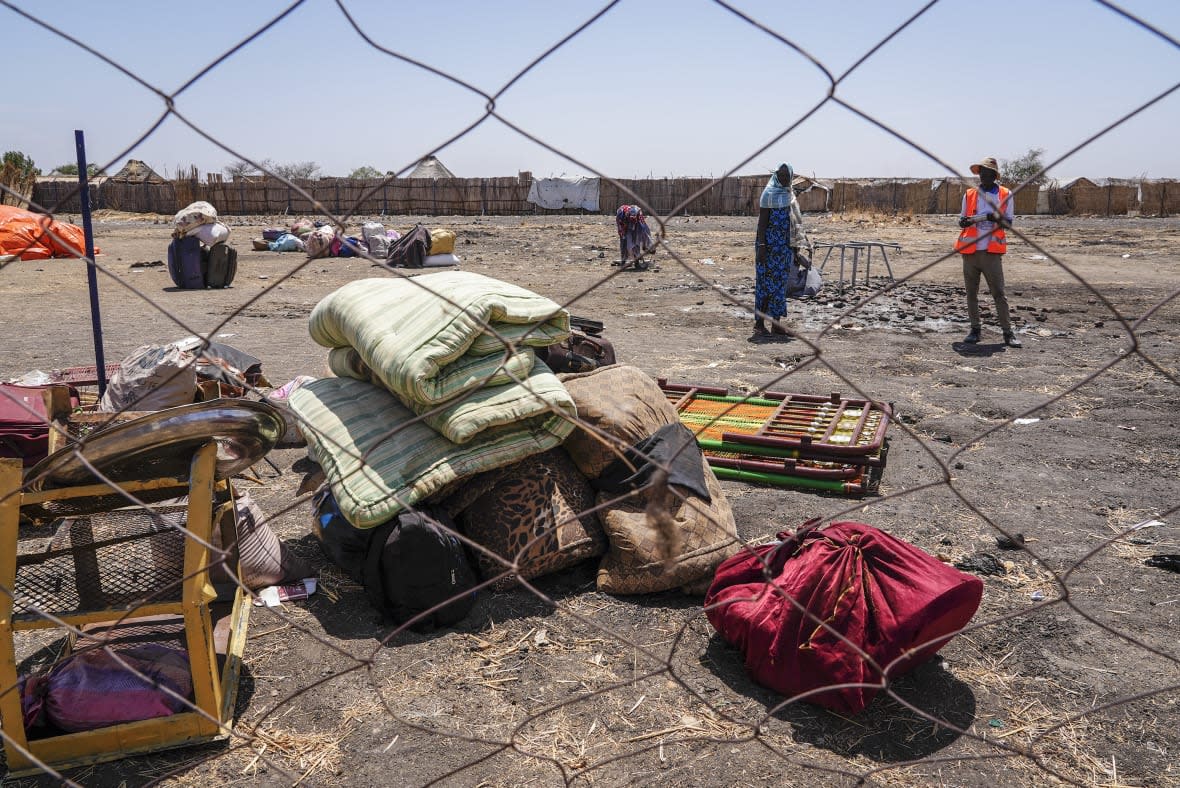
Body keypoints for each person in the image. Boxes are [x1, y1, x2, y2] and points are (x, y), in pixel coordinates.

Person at [955, 156, 1021, 347]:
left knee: (999, 293)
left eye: (987, 173)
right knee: (971, 294)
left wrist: (995, 218)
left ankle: (1008, 333)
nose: (983, 176)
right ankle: (975, 330)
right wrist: (966, 221)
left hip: (991, 253)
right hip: (970, 251)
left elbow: (1008, 223)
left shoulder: (1005, 194)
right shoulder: (969, 195)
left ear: (994, 175)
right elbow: (961, 220)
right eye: (980, 172)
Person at [754, 163, 812, 336]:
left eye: (787, 176)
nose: (784, 179)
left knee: (779, 286)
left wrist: (796, 251)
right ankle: (759, 324)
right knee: (765, 284)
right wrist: (762, 248)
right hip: (768, 248)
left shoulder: (790, 196)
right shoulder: (768, 194)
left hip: (784, 249)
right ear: (776, 176)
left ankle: (776, 324)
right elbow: (762, 224)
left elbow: (795, 225)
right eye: (781, 175)